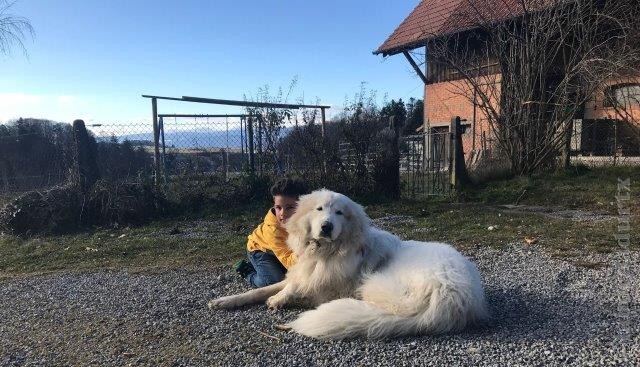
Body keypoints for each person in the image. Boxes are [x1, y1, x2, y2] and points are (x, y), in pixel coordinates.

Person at [235, 177, 309, 288]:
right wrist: (308, 250)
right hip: (260, 250)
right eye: (278, 207)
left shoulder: (308, 217)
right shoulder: (273, 230)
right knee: (275, 282)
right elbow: (289, 262)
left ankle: (269, 267)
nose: (282, 213)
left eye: (289, 207)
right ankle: (248, 272)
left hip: (282, 251)